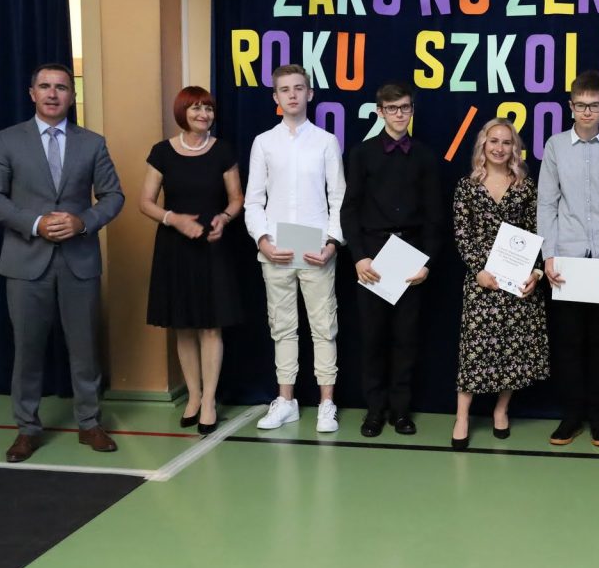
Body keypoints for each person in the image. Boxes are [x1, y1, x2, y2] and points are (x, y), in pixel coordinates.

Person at [0, 63, 124, 462]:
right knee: (27, 350)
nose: (53, 93)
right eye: (45, 86)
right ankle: (27, 429)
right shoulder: (7, 140)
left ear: (72, 96)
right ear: (32, 94)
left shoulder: (92, 143)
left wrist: (83, 221)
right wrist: (36, 223)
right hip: (25, 262)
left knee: (85, 348)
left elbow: (113, 196)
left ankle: (89, 424)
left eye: (61, 87)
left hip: (79, 261)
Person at [537, 69, 599, 447]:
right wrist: (548, 255)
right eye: (580, 105)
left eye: (594, 106)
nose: (587, 112)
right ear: (570, 106)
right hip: (567, 260)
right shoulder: (555, 147)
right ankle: (571, 417)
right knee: (568, 344)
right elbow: (547, 204)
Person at [245, 64, 345, 433]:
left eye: (298, 88)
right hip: (276, 249)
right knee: (282, 327)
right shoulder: (263, 142)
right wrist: (263, 240)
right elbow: (253, 201)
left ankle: (326, 403)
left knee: (324, 327)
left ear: (309, 93)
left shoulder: (326, 141)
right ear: (275, 97)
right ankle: (286, 401)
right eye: (285, 89)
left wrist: (332, 243)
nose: (292, 94)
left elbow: (339, 198)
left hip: (316, 250)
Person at [138, 86, 244, 435]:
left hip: (213, 245)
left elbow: (236, 198)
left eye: (208, 109)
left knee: (211, 326)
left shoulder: (223, 150)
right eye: (196, 108)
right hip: (176, 246)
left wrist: (224, 219)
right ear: (182, 112)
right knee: (183, 325)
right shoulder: (162, 152)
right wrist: (174, 219)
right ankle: (194, 396)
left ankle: (210, 400)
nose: (203, 114)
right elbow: (145, 202)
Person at [341, 81, 442, 438]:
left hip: (410, 256)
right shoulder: (361, 154)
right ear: (380, 111)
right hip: (373, 257)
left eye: (405, 107)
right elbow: (350, 209)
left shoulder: (425, 156)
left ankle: (401, 411)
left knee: (406, 340)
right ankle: (374, 410)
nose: (400, 114)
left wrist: (427, 263)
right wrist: (359, 257)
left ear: (412, 109)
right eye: (392, 108)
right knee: (373, 339)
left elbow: (435, 216)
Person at [451, 119, 549, 450]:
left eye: (506, 142)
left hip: (516, 283)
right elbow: (462, 233)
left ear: (515, 148)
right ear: (483, 144)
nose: (499, 148)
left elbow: (537, 231)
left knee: (512, 351)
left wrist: (536, 273)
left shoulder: (526, 186)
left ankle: (501, 410)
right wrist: (478, 270)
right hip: (481, 283)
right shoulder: (467, 186)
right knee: (473, 352)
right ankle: (462, 417)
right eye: (493, 141)